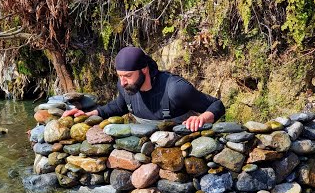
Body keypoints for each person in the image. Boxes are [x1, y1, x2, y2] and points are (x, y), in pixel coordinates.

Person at [62, 46, 225, 131]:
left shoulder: (175, 89)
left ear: (144, 70)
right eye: (120, 76)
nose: (123, 82)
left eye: (127, 75)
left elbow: (217, 105)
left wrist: (201, 119)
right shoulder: (125, 87)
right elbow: (118, 107)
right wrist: (88, 115)